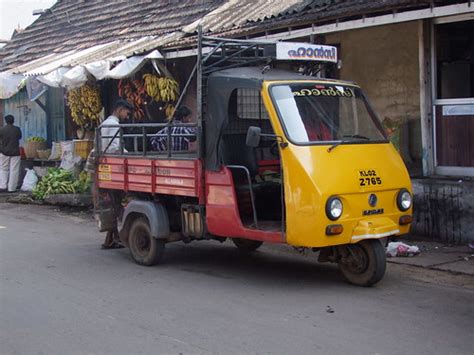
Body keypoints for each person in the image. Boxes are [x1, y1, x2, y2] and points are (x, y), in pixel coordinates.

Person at [0, 115, 22, 192]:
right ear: (13, 121)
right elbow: (19, 137)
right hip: (15, 152)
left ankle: (3, 186)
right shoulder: (17, 129)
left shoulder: (2, 130)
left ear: (6, 121)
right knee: (14, 170)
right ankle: (11, 188)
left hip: (4, 152)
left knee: (3, 169)